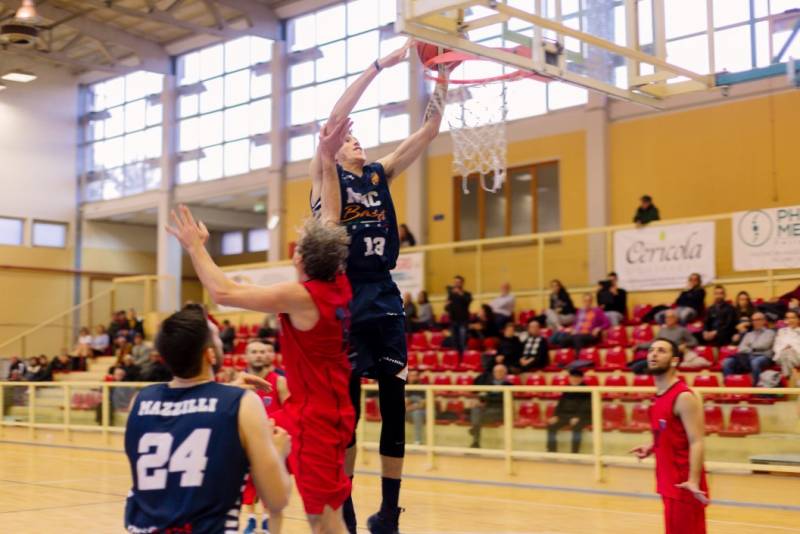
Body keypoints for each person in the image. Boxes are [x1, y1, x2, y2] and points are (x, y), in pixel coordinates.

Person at [309, 39, 448, 534]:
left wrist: (442, 77)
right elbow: (334, 121)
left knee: (393, 402)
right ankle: (345, 504)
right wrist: (377, 66)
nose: (356, 140)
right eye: (349, 139)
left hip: (384, 295)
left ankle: (389, 511)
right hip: (346, 298)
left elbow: (429, 129)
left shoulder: (378, 174)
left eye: (357, 138)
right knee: (349, 414)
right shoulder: (327, 176)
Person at [168, 188, 355, 532]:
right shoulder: (341, 282)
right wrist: (327, 157)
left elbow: (223, 292)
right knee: (330, 511)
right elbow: (332, 222)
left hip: (318, 419)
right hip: (330, 408)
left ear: (300, 259)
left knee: (325, 521)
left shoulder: (301, 296)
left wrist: (195, 246)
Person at [124, 307, 292, 533]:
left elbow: (184, 410)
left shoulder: (139, 401)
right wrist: (278, 455)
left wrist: (224, 391)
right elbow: (277, 500)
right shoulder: (243, 403)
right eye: (217, 337)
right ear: (210, 355)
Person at [630, 339, 709, 534]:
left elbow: (696, 441)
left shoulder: (683, 397)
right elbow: (667, 431)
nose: (653, 354)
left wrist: (693, 480)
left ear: (674, 360)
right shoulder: (659, 395)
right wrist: (652, 446)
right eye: (651, 350)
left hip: (683, 485)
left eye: (661, 351)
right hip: (668, 481)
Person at [241, 340, 290, 534]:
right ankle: (252, 519)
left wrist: (269, 423)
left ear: (270, 356)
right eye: (254, 352)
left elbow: (289, 411)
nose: (258, 355)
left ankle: (269, 521)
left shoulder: (279, 381)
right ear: (246, 356)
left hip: (272, 441)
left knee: (270, 483)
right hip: (247, 440)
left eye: (262, 351)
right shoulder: (239, 381)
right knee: (249, 483)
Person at [632, 309, 706, 373]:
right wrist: (639, 345)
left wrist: (685, 345)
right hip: (659, 356)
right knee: (633, 364)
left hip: (673, 358)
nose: (668, 319)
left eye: (671, 317)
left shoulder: (682, 330)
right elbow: (653, 343)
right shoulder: (662, 330)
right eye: (667, 317)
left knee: (638, 366)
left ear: (676, 318)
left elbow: (694, 341)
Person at [722, 312, 775, 385]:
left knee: (755, 362)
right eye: (753, 320)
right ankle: (729, 386)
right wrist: (752, 349)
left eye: (758, 319)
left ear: (764, 321)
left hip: (764, 357)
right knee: (728, 361)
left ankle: (756, 388)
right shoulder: (749, 334)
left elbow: (764, 345)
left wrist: (749, 346)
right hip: (747, 357)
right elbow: (741, 348)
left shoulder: (770, 333)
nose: (755, 322)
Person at [546, 369, 591, 454]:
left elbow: (586, 406)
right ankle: (551, 451)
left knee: (577, 427)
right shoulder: (567, 387)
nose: (574, 379)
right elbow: (560, 403)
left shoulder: (587, 389)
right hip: (565, 415)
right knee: (551, 426)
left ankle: (575, 453)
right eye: (572, 377)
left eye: (577, 377)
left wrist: (578, 417)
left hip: (583, 416)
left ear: (581, 378)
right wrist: (555, 415)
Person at [468, 364, 511, 448]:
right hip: (487, 410)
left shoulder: (509, 385)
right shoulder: (488, 384)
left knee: (477, 417)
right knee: (476, 409)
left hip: (501, 410)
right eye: (496, 371)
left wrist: (487, 399)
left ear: (505, 373)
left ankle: (474, 431)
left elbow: (501, 399)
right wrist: (478, 402)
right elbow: (482, 396)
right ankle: (475, 442)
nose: (498, 373)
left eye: (500, 371)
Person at [447, 275, 473, 355]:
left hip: (463, 321)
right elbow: (447, 308)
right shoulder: (451, 295)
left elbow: (468, 301)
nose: (456, 284)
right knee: (455, 342)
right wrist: (447, 305)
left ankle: (464, 360)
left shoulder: (467, 294)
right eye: (455, 282)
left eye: (458, 282)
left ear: (462, 283)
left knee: (463, 341)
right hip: (453, 321)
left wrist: (460, 293)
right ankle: (456, 361)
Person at [772, 309, 800, 378]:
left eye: (793, 318)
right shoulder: (781, 331)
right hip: (782, 356)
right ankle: (793, 380)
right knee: (786, 355)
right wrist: (785, 349)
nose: (790, 320)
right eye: (788, 318)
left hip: (797, 356)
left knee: (788, 355)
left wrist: (792, 348)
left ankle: (787, 379)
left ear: (798, 319)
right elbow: (776, 346)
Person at [405, 369, 425, 445]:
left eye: (414, 376)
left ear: (418, 377)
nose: (412, 377)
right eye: (410, 376)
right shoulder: (405, 388)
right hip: (409, 411)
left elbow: (423, 405)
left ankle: (417, 441)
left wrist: (410, 406)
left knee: (417, 413)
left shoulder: (424, 387)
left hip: (425, 413)